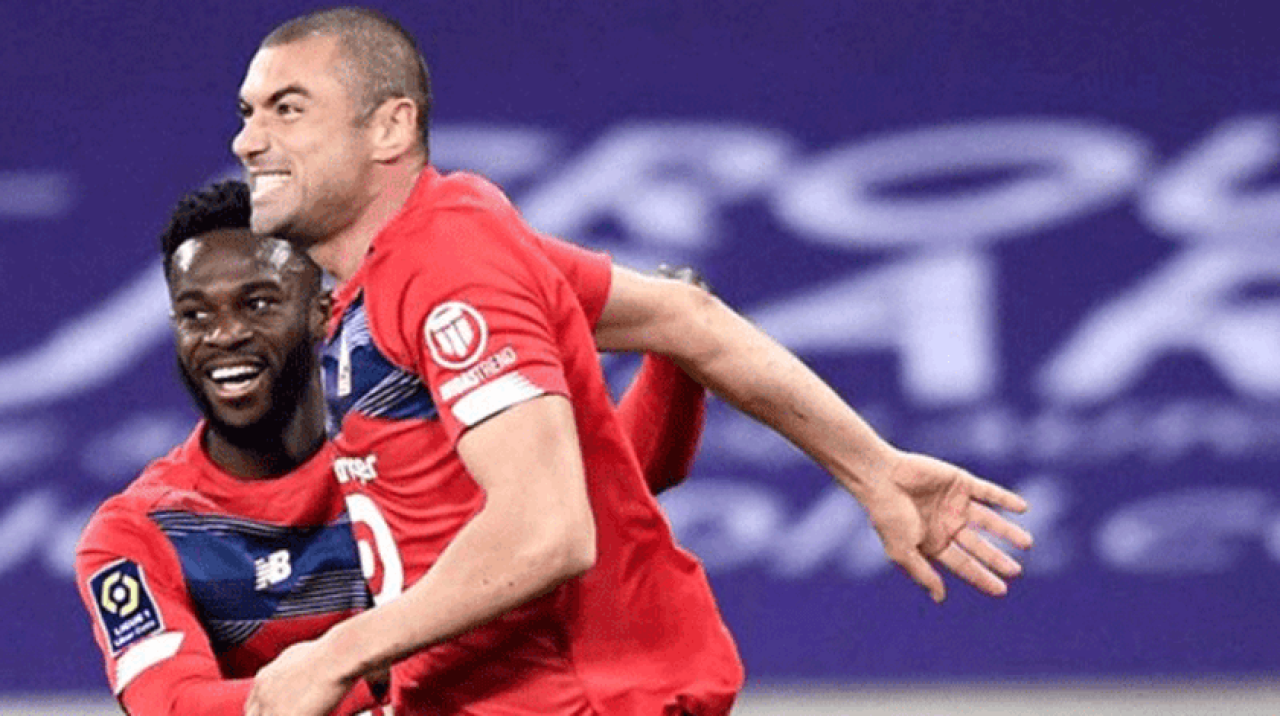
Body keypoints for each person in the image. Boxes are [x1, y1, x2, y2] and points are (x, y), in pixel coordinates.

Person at [232, 8, 1034, 716]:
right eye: (248, 112)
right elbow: (687, 318)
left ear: (390, 128)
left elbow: (546, 533)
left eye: (287, 109)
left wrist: (338, 654)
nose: (248, 140)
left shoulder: (448, 262)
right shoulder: (421, 258)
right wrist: (875, 469)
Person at [73, 180, 712, 716]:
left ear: (322, 311)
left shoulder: (405, 431)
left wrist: (675, 361)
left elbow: (605, 494)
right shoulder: (137, 532)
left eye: (259, 303)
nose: (225, 334)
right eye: (194, 315)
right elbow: (174, 705)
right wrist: (371, 666)